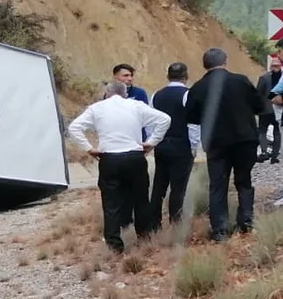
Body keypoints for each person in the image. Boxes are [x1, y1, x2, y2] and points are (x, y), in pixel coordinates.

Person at [67, 81, 172, 253]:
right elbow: (165, 119)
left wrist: (89, 148)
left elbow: (74, 128)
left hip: (109, 158)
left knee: (111, 203)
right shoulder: (136, 105)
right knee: (140, 200)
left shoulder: (97, 108)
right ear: (125, 93)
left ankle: (114, 245)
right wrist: (152, 142)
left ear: (107, 93)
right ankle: (144, 239)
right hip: (134, 156)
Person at [184, 48, 264, 240]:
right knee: (244, 181)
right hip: (244, 139)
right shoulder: (241, 81)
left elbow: (190, 116)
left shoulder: (198, 87)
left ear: (205, 65)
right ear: (225, 61)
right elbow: (259, 106)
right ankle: (246, 223)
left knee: (217, 184)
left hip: (216, 142)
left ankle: (220, 230)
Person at [149, 62, 201, 230]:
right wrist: (194, 147)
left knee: (159, 186)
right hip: (181, 145)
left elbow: (151, 122)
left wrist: (153, 141)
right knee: (178, 188)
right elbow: (193, 124)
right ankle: (175, 224)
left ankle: (154, 224)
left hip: (162, 144)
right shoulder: (188, 95)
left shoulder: (156, 95)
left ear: (168, 76)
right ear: (186, 76)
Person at [259, 54, 283, 164]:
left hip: (265, 109)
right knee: (277, 132)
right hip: (277, 109)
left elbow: (258, 93)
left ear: (270, 67)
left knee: (262, 131)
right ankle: (274, 156)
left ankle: (264, 152)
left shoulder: (264, 78)